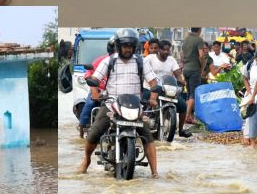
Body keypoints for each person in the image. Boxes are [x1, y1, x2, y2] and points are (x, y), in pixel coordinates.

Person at [79, 28, 160, 178]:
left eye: (130, 46)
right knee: (94, 133)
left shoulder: (141, 62)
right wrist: (94, 86)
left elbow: (154, 82)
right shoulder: (109, 61)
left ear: (134, 46)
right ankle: (86, 160)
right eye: (125, 46)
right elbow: (95, 79)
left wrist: (153, 97)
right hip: (112, 104)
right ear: (118, 46)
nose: (127, 49)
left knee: (147, 136)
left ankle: (155, 172)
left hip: (135, 106)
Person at [144, 40, 191, 138]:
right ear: (159, 49)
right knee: (143, 104)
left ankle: (181, 130)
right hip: (150, 89)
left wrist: (181, 80)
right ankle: (141, 127)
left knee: (183, 106)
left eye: (167, 50)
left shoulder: (171, 60)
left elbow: (177, 73)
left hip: (167, 89)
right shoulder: (149, 58)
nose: (166, 51)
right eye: (163, 49)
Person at [77, 36, 116, 138]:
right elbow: (89, 74)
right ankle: (82, 127)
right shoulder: (102, 60)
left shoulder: (129, 62)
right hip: (100, 90)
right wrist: (94, 91)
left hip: (117, 92)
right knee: (90, 103)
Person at [241, 49, 257, 148]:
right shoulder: (250, 65)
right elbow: (244, 78)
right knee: (250, 116)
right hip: (252, 93)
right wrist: (249, 91)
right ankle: (248, 137)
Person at [181, 28, 204, 125]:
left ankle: (189, 116)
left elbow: (182, 55)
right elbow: (201, 55)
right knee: (193, 94)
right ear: (199, 29)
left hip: (186, 69)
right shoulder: (199, 39)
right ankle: (186, 116)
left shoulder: (186, 39)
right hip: (194, 70)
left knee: (189, 93)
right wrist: (202, 66)